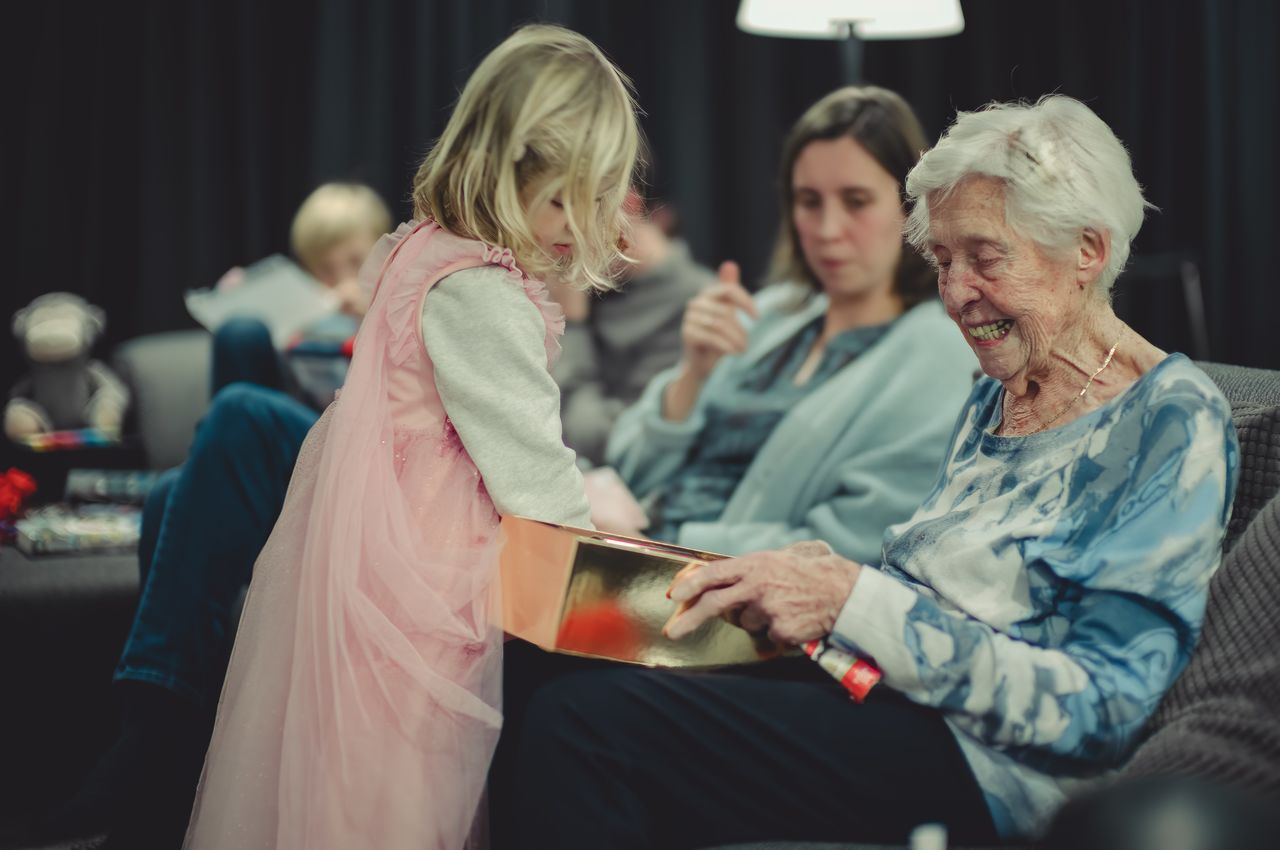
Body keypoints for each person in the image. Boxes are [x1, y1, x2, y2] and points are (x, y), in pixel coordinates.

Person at [493, 95, 1239, 848]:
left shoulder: (1170, 418)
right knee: (539, 658)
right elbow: (926, 583)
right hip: (876, 684)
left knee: (586, 724)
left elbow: (1102, 710)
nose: (954, 294)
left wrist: (853, 598)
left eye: (984, 258)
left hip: (989, 762)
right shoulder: (999, 390)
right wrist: (821, 590)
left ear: (1088, 249)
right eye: (943, 260)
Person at [180, 23, 640, 850]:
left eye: (597, 197)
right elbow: (533, 478)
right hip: (430, 562)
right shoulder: (483, 292)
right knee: (405, 767)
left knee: (351, 750)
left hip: (373, 538)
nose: (579, 224)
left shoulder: (429, 250)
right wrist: (608, 574)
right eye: (558, 198)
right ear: (498, 171)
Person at [603, 86, 977, 563]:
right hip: (638, 555)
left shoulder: (938, 351)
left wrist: (666, 549)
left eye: (856, 201)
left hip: (732, 600)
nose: (826, 229)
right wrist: (691, 378)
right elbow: (628, 468)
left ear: (910, 207)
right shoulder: (774, 311)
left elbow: (858, 542)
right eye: (809, 201)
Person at [548, 192, 713, 467]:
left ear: (624, 205)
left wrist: (571, 324)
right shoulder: (595, 283)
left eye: (564, 205)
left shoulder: (697, 307)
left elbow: (606, 444)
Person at [210, 182, 392, 399]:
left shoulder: (409, 303)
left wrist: (369, 316)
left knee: (237, 401)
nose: (342, 279)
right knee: (240, 332)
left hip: (364, 421)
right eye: (325, 268)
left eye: (356, 261)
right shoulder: (304, 305)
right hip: (298, 415)